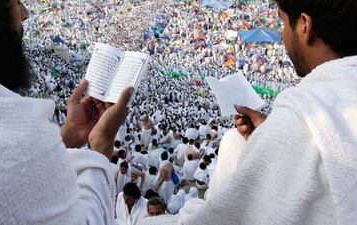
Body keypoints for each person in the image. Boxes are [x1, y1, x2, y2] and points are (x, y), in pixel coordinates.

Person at [139, 0, 357, 224]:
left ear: (304, 25)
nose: (282, 35)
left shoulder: (302, 111)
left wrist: (100, 145)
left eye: (282, 23)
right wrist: (270, 134)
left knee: (232, 142)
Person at [0, 0, 133, 224]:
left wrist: (68, 135)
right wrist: (101, 144)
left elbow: (20, 172)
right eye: (16, 3)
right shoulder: (11, 134)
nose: (25, 13)